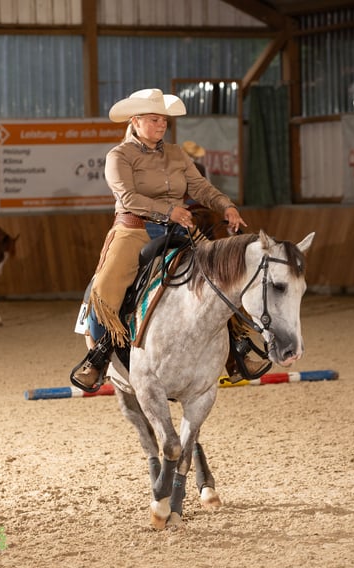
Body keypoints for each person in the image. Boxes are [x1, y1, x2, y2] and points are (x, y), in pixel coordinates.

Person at [70, 88, 247, 392]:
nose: (161, 124)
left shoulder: (178, 154)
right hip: (134, 229)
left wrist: (226, 205)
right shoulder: (119, 156)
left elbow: (201, 187)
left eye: (163, 120)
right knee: (104, 289)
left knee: (221, 278)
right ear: (136, 122)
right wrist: (168, 210)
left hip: (179, 228)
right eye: (154, 119)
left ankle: (238, 349)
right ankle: (98, 356)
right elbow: (127, 196)